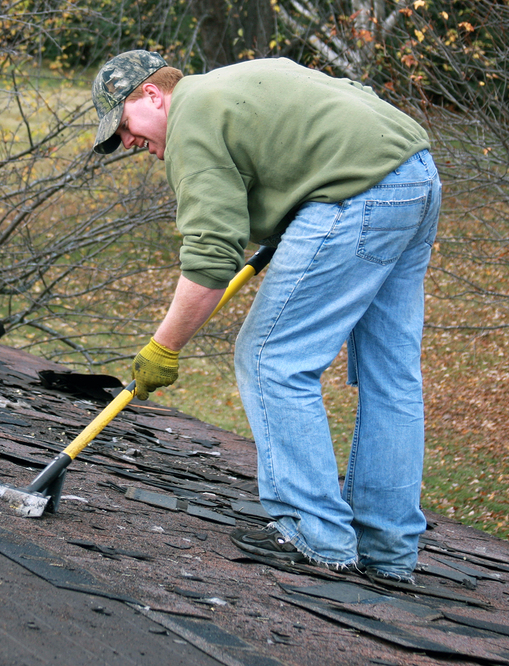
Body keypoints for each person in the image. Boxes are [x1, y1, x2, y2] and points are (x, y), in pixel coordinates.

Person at [90, 50, 441, 583]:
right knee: (390, 375)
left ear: (153, 95)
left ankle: (315, 531)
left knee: (270, 358)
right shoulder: (239, 79)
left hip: (360, 194)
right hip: (415, 172)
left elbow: (209, 260)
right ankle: (387, 550)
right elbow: (346, 94)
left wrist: (163, 348)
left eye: (124, 126)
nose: (129, 143)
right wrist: (296, 202)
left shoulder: (193, 118)